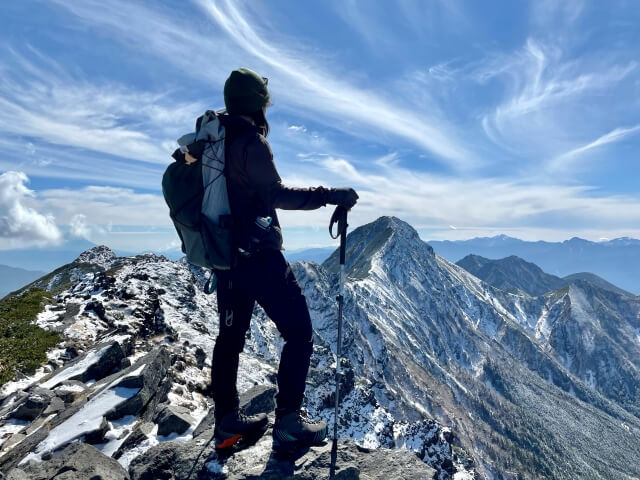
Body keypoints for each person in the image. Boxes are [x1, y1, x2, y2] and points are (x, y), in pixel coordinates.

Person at [210, 68, 359, 450]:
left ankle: (227, 423)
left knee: (230, 339)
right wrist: (329, 195)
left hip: (224, 256)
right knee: (299, 333)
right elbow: (276, 194)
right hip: (258, 255)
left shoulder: (212, 142)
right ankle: (289, 422)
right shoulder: (250, 142)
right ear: (258, 104)